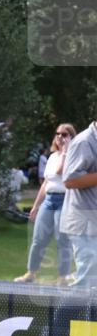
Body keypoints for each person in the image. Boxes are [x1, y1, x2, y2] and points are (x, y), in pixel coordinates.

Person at [14, 124, 76, 286]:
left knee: (62, 239)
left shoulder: (73, 156)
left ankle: (63, 277)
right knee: (38, 239)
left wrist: (65, 151)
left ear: (71, 137)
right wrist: (35, 206)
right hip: (48, 200)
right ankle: (31, 273)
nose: (60, 137)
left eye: (65, 134)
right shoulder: (52, 157)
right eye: (58, 134)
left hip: (64, 200)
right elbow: (46, 183)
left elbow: (60, 172)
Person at [60, 119, 97, 288]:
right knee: (86, 280)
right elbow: (70, 180)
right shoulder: (83, 141)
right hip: (84, 221)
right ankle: (61, 316)